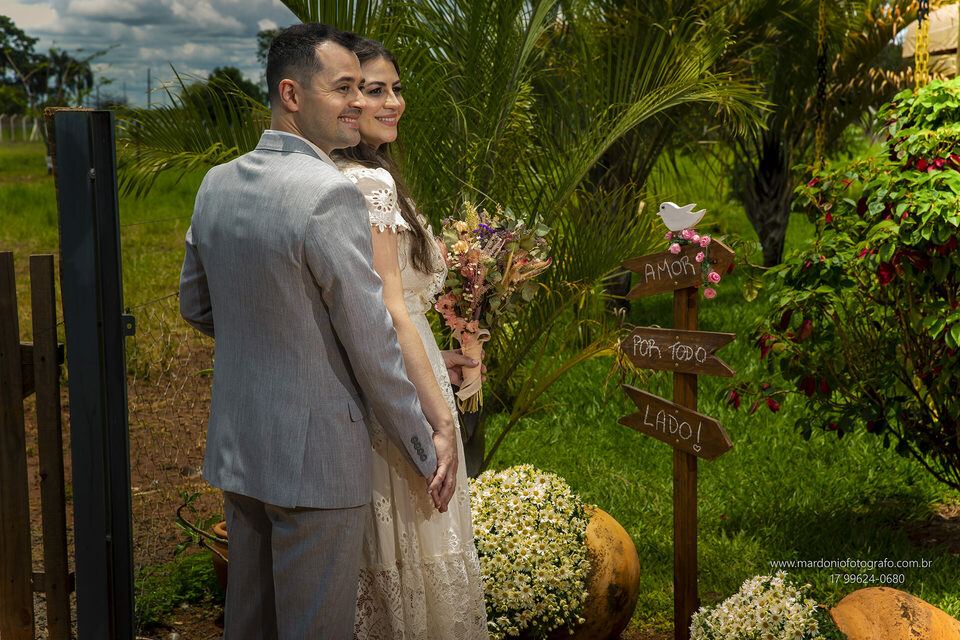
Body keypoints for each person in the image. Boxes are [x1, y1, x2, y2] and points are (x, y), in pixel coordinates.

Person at [179, 23, 456, 638]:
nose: (358, 101)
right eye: (343, 88)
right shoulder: (329, 194)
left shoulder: (215, 182)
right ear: (292, 94)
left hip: (241, 449)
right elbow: (372, 342)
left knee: (249, 625)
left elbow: (197, 305)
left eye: (362, 88)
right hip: (318, 465)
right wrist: (425, 443)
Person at [334, 38, 489, 639]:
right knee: (410, 540)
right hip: (403, 397)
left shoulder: (368, 175)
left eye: (396, 89)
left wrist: (441, 354)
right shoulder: (366, 183)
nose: (394, 101)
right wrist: (439, 423)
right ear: (343, 99)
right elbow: (389, 313)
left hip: (412, 371)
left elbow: (389, 309)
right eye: (375, 90)